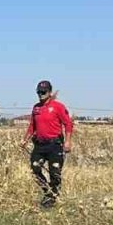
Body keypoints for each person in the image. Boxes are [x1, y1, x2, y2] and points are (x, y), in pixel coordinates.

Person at [25, 80, 74, 208]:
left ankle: (52, 198)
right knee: (35, 168)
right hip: (40, 145)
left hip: (55, 145)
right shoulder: (36, 108)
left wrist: (68, 141)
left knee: (55, 171)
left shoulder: (58, 106)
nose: (40, 94)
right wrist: (25, 139)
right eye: (38, 92)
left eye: (43, 92)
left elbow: (68, 123)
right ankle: (48, 192)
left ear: (49, 92)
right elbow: (32, 126)